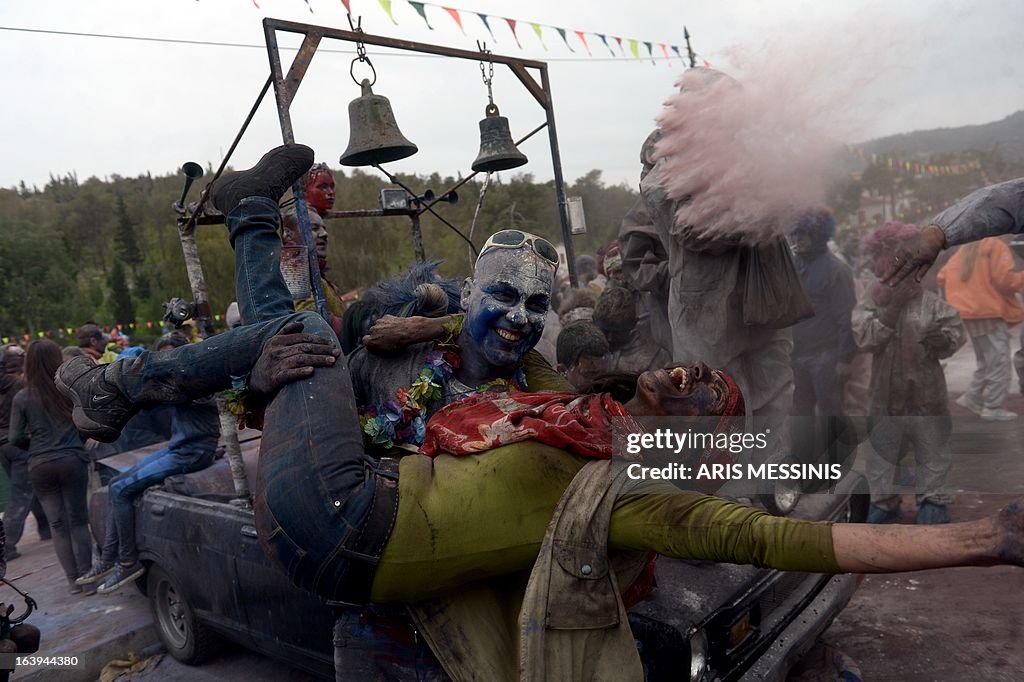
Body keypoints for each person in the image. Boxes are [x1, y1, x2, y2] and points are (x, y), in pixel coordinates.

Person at [54, 145, 1024, 637]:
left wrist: (982, 540)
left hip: (348, 526)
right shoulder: (555, 394)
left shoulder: (631, 491)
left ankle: (119, 382)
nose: (683, 376)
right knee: (302, 337)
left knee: (299, 332)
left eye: (696, 399)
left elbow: (794, 535)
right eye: (682, 374)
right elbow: (382, 360)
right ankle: (248, 220)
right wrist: (394, 323)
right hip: (343, 477)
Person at [75, 333, 220, 594]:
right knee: (117, 484)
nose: (167, 361)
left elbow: (153, 396)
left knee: (120, 489)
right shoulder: (179, 381)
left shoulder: (195, 381)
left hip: (194, 452)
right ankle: (108, 559)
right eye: (163, 356)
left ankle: (127, 562)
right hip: (180, 448)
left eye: (171, 355)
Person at [853, 222, 966, 525]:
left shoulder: (930, 303)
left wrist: (942, 340)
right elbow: (864, 338)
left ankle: (933, 498)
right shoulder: (872, 302)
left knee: (931, 445)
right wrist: (890, 312)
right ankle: (885, 501)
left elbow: (955, 332)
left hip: (926, 393)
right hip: (884, 395)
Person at [8, 340, 92, 593]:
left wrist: (34, 445)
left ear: (29, 363)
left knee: (57, 525)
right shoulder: (68, 390)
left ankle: (72, 582)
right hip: (72, 460)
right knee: (78, 522)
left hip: (40, 464)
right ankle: (88, 579)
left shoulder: (22, 397)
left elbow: (14, 439)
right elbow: (87, 424)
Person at [937, 237, 1024, 421]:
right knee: (999, 361)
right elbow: (1004, 280)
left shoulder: (966, 247)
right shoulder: (995, 245)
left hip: (968, 312)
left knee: (986, 361)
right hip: (988, 310)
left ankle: (972, 397)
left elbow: (942, 276)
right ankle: (994, 407)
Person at [788, 209, 857, 417]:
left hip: (826, 356)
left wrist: (845, 359)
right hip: (796, 354)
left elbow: (847, 318)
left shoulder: (837, 270)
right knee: (800, 412)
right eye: (794, 234)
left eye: (803, 234)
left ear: (818, 235)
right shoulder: (792, 265)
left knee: (831, 410)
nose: (797, 239)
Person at [0, 345, 50, 559]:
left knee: (29, 486)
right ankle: (6, 546)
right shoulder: (20, 385)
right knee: (21, 495)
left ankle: (46, 528)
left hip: (3, 447)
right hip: (19, 444)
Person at [592, 285, 672, 375]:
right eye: (604, 330)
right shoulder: (588, 352)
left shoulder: (655, 359)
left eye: (617, 332)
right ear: (594, 320)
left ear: (633, 323)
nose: (610, 338)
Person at [555, 321, 611, 391]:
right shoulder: (546, 400)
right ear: (562, 371)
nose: (603, 381)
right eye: (592, 373)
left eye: (606, 373)